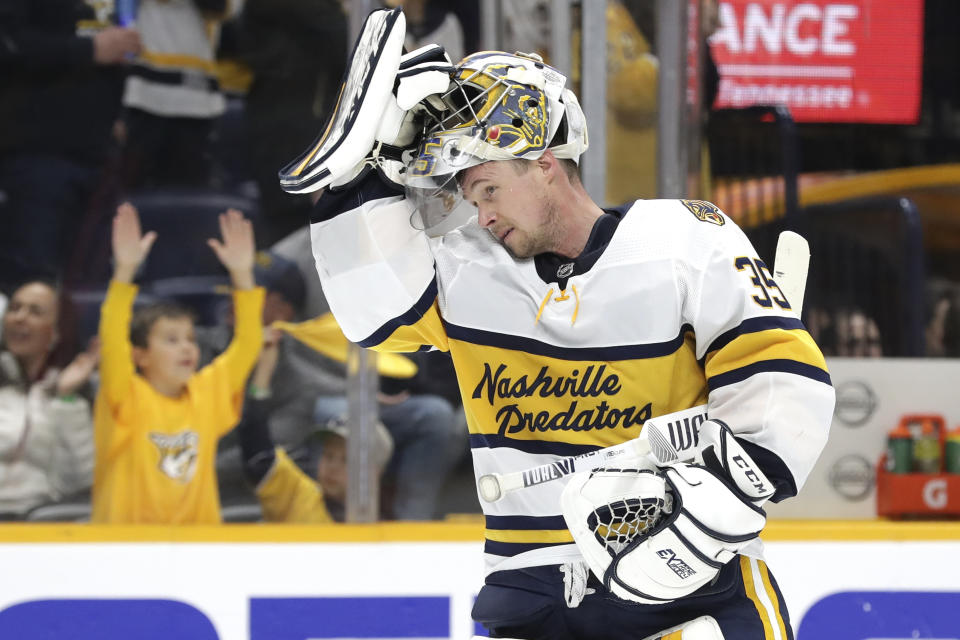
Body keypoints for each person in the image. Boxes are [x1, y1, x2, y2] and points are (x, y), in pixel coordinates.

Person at [282, 13, 834, 638]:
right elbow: (367, 307)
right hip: (530, 588)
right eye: (469, 196)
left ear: (543, 162)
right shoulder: (467, 272)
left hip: (694, 584)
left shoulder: (684, 240)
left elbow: (786, 385)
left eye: (487, 188)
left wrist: (703, 517)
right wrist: (370, 166)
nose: (480, 214)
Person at [199, 248, 462, 520]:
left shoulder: (297, 380)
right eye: (330, 457)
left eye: (251, 293)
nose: (232, 299)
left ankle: (413, 529)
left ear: (282, 308)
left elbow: (257, 451)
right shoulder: (196, 346)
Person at [91, 202, 263, 523]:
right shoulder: (124, 396)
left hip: (197, 556)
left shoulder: (206, 395)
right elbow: (113, 339)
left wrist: (242, 274)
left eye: (190, 339)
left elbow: (248, 344)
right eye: (171, 340)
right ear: (139, 355)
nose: (187, 348)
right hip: (124, 556)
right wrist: (125, 271)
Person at [0, 0, 141, 287]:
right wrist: (88, 50)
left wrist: (120, 114)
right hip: (37, 151)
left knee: (91, 282)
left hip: (99, 154)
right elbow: (9, 46)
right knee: (32, 279)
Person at [236, 327, 394, 523]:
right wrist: (264, 371)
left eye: (346, 460)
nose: (332, 467)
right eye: (328, 455)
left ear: (373, 472)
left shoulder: (386, 535)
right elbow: (257, 455)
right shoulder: (299, 496)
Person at [0, 281, 98, 519]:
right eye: (14, 308)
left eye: (35, 312)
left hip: (41, 521)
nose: (20, 318)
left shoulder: (75, 391)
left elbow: (77, 480)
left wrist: (65, 398)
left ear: (56, 331)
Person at [119, 0, 230, 189]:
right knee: (131, 198)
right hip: (144, 95)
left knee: (190, 200)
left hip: (198, 102)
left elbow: (224, 8)